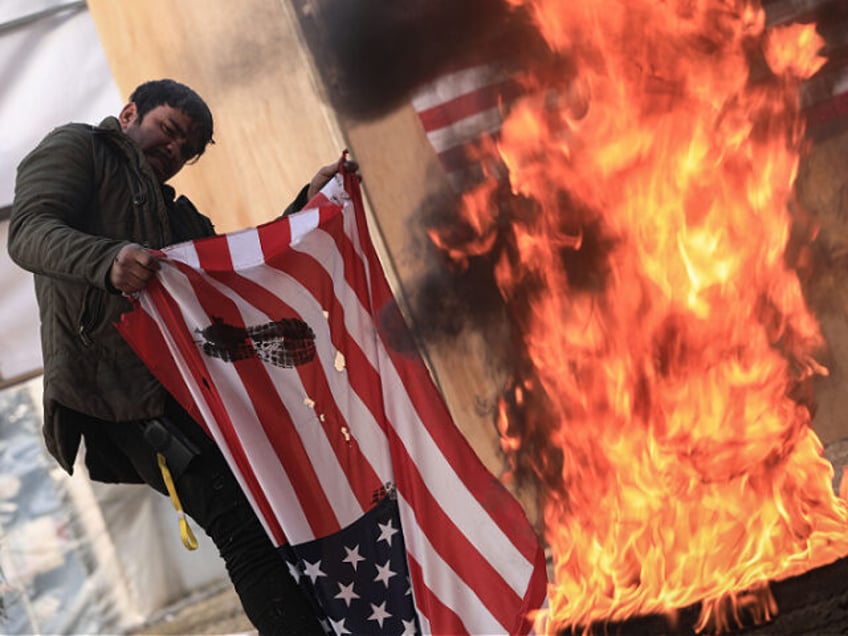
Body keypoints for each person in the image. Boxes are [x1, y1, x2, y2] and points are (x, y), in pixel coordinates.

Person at [7, 78, 338, 634]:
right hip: (119, 393)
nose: (176, 152)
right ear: (131, 112)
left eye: (188, 151)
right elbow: (29, 231)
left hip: (183, 389)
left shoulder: (172, 214)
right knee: (241, 528)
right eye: (170, 131)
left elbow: (231, 273)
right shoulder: (79, 146)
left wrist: (307, 204)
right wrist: (107, 259)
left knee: (266, 518)